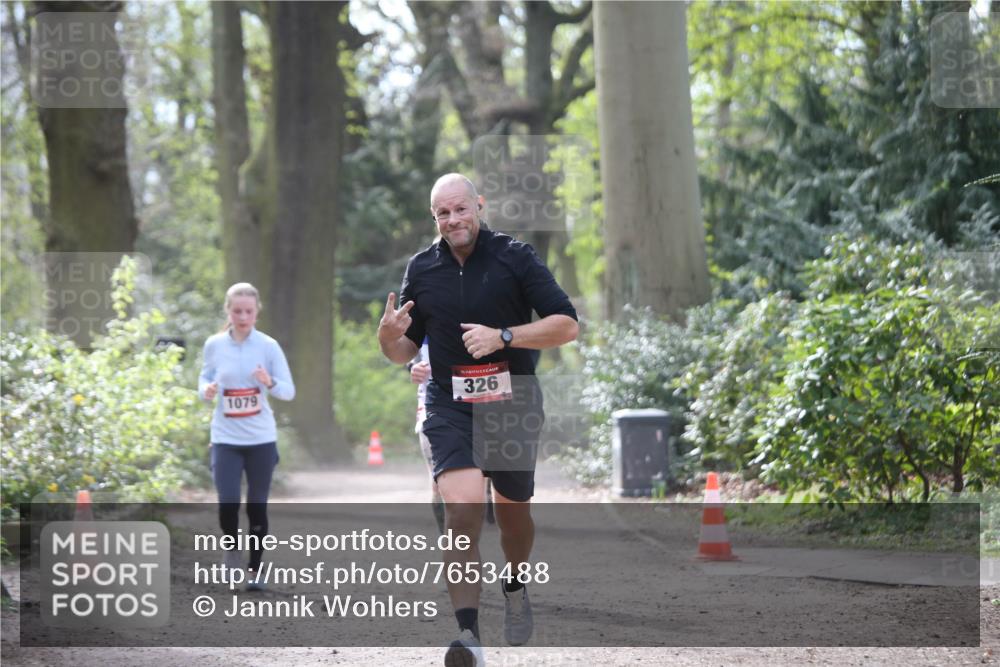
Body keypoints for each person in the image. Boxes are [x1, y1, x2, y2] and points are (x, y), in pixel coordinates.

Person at [378, 174, 578, 666]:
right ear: (434, 219)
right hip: (450, 406)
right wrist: (388, 338)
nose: (452, 221)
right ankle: (468, 635)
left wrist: (503, 338)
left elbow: (566, 324)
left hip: (512, 403)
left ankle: (514, 582)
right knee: (462, 512)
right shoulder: (422, 268)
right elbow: (403, 349)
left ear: (478, 207)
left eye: (460, 210)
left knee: (514, 517)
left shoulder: (515, 257)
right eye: (442, 214)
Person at [198, 282, 295, 591]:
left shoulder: (268, 346)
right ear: (228, 311)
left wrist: (269, 382)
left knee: (256, 506)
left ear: (257, 312)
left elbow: (288, 391)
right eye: (237, 311)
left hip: (260, 439)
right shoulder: (214, 344)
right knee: (227, 503)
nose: (242, 317)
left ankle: (255, 570)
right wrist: (207, 389)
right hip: (225, 437)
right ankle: (231, 550)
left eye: (248, 311)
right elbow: (203, 377)